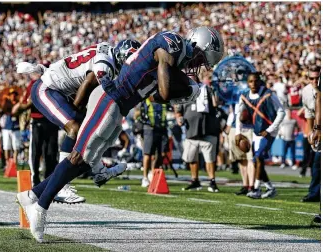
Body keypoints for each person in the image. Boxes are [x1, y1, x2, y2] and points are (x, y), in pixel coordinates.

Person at [17, 26, 225, 242]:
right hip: (110, 98)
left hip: (119, 106)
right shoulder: (173, 43)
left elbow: (155, 97)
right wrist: (181, 91)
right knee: (78, 156)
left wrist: (184, 89)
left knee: (85, 162)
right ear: (199, 45)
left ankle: (32, 195)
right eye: (201, 59)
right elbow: (163, 91)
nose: (198, 66)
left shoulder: (176, 61)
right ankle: (40, 208)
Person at [16, 40, 140, 203]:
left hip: (58, 90)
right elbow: (88, 83)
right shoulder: (106, 66)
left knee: (87, 135)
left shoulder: (107, 51)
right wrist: (76, 110)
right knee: (75, 129)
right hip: (46, 89)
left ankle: (98, 170)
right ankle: (62, 186)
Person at [235, 72, 285, 199]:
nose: (253, 84)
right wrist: (238, 133)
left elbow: (281, 112)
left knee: (257, 159)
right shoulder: (244, 96)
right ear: (247, 83)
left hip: (269, 131)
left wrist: (270, 129)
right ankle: (270, 188)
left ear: (260, 81)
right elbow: (239, 114)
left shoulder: (269, 94)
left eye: (256, 81)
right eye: (251, 81)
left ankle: (256, 189)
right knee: (257, 160)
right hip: (257, 131)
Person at [176, 83, 221, 193]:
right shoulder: (183, 92)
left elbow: (216, 104)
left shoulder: (207, 89)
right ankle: (195, 180)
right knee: (192, 158)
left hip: (207, 129)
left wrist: (213, 89)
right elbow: (178, 110)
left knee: (210, 159)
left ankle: (212, 181)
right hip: (191, 131)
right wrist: (179, 118)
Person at [138, 97, 169, 187]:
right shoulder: (146, 100)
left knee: (161, 153)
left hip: (162, 128)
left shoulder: (163, 100)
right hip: (149, 128)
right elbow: (137, 113)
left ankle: (153, 172)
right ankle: (144, 177)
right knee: (148, 153)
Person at [225, 104, 255, 196]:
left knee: (251, 158)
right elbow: (232, 111)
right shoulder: (234, 93)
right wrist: (229, 125)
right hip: (235, 127)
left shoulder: (250, 94)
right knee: (241, 159)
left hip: (249, 127)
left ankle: (252, 186)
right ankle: (245, 185)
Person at [301, 65, 321, 203]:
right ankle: (314, 192)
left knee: (318, 162)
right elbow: (309, 113)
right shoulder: (306, 92)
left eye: (318, 78)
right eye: (312, 78)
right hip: (318, 128)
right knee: (316, 163)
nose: (315, 81)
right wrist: (309, 133)